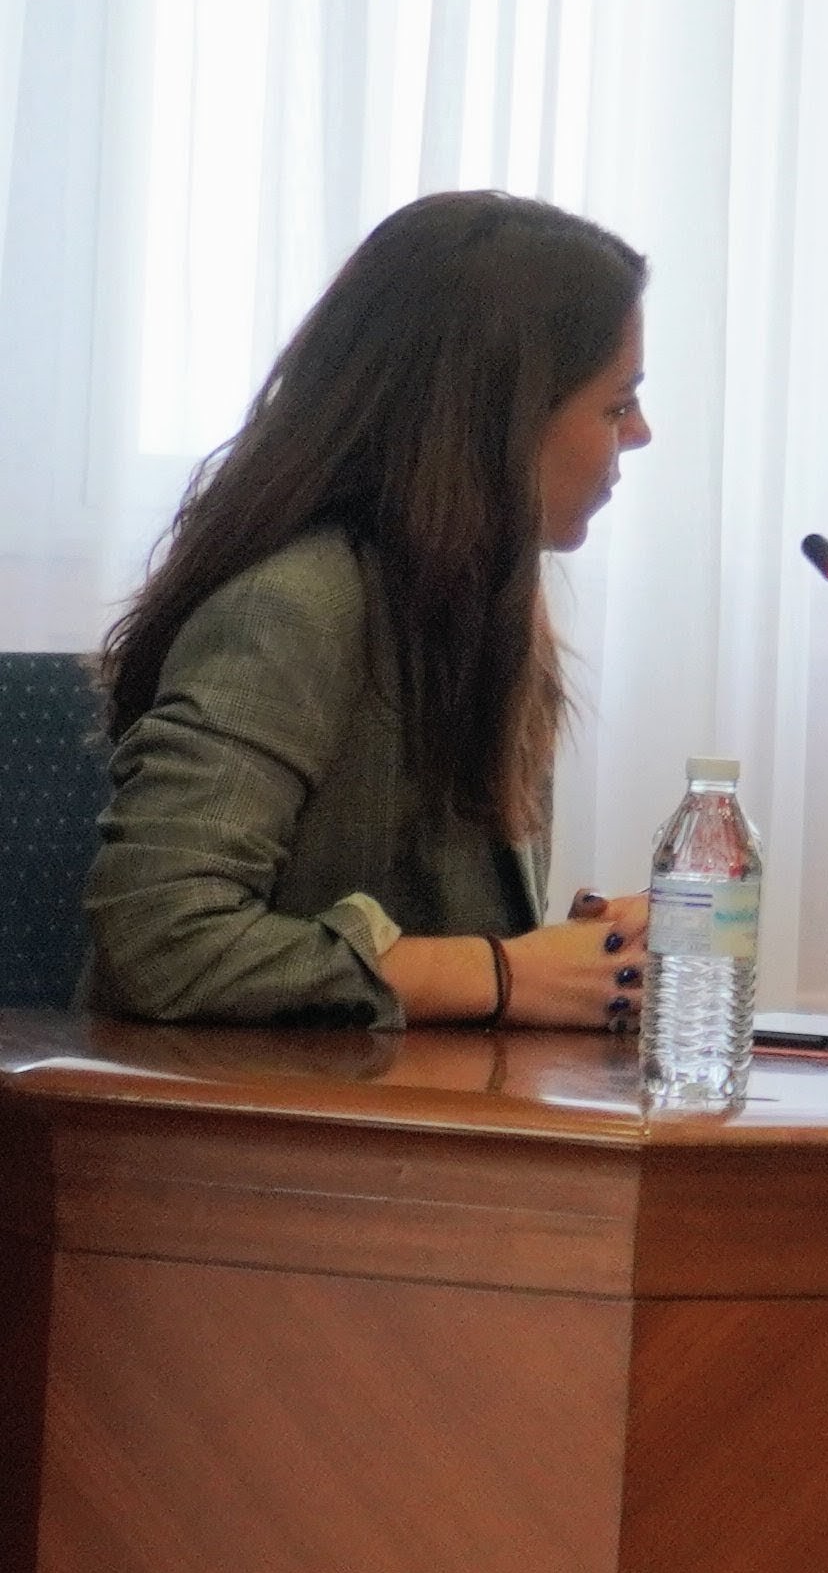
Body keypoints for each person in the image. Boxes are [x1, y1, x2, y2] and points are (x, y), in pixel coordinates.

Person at [82, 190, 657, 1031]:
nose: (639, 433)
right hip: (224, 1135)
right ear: (499, 419)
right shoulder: (291, 606)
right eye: (617, 403)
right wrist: (502, 973)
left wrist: (579, 962)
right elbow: (163, 939)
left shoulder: (484, 607)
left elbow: (440, 950)